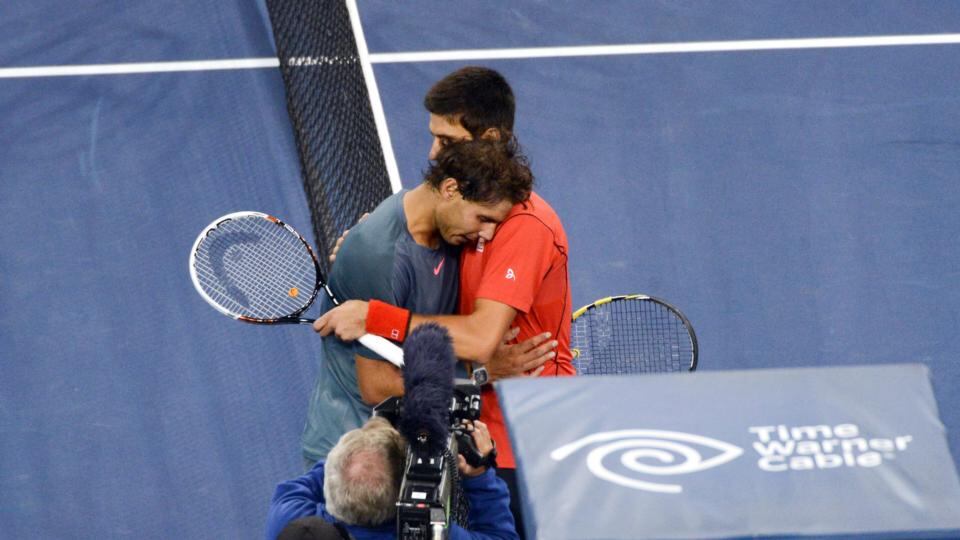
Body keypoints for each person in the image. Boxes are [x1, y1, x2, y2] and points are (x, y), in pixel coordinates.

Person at [316, 66, 575, 537]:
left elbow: (478, 338)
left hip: (518, 437)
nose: (434, 154)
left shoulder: (510, 224)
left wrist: (374, 314)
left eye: (449, 141)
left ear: (489, 139)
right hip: (430, 437)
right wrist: (365, 244)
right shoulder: (453, 220)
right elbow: (406, 236)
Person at [300, 138, 536, 467]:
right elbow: (376, 386)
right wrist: (476, 374)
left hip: (408, 448)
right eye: (483, 218)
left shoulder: (451, 234)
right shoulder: (380, 255)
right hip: (351, 462)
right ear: (451, 189)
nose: (489, 235)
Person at [267, 417, 518, 540]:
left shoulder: (294, 524)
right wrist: (480, 476)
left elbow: (325, 471)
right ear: (405, 489)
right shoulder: (432, 534)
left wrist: (365, 445)